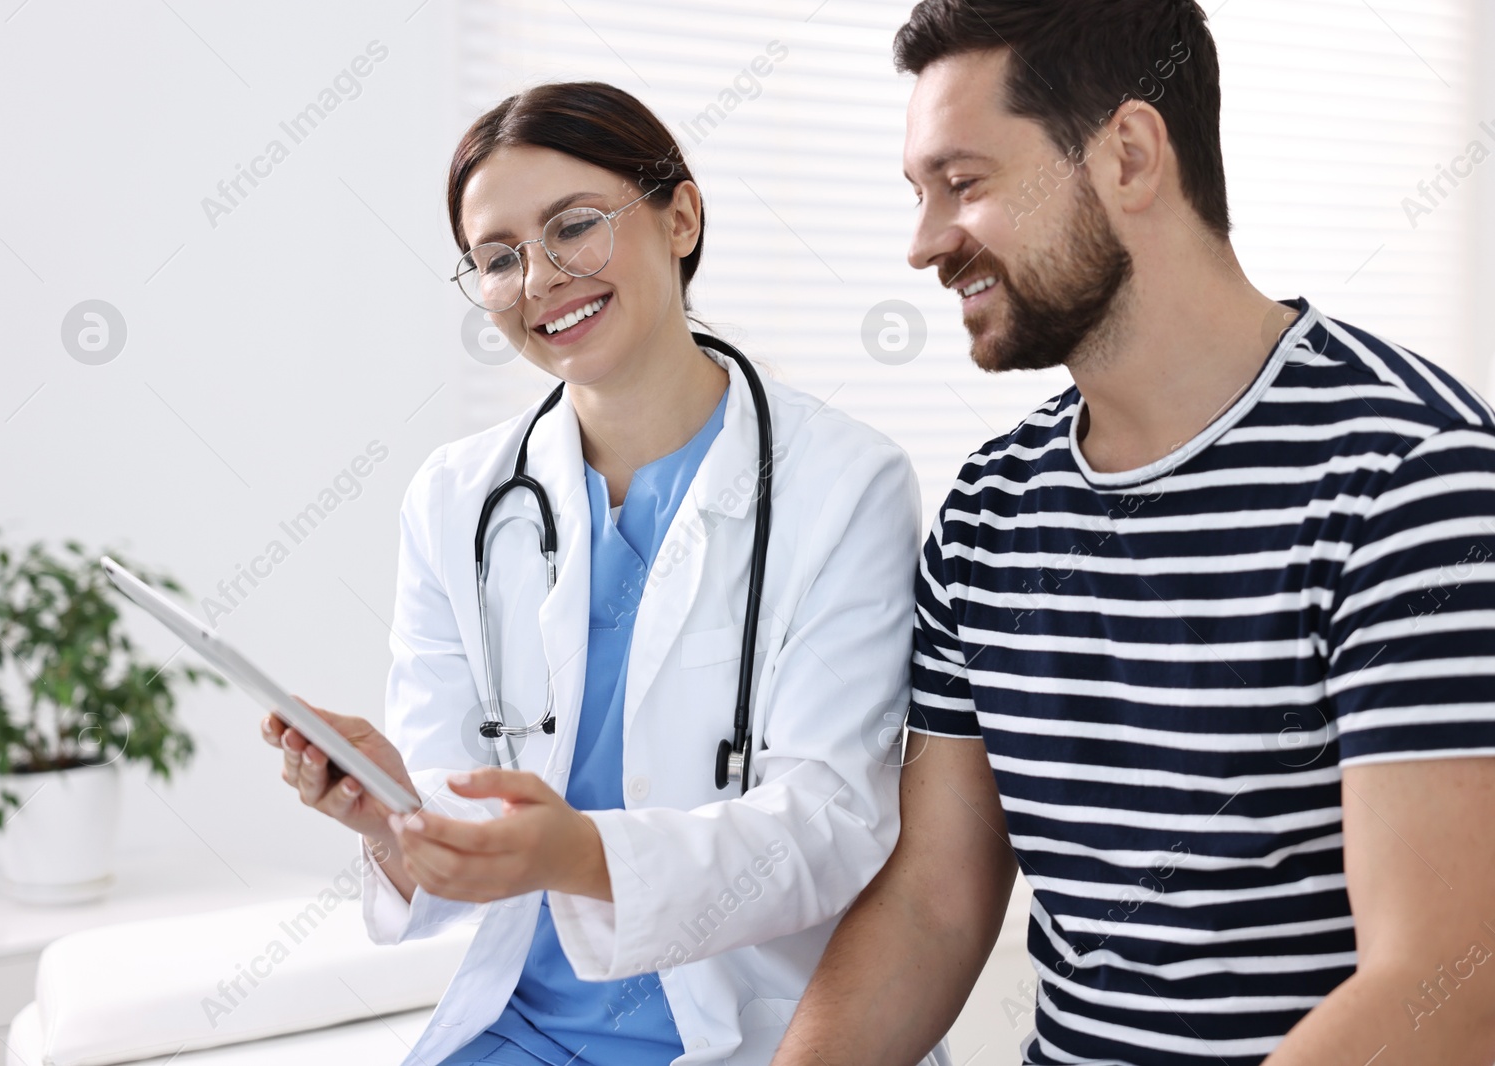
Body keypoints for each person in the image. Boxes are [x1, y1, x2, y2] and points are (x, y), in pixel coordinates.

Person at [772, 2, 1495, 1065]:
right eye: (918, 195)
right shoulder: (990, 512)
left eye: (963, 184)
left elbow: (1440, 978)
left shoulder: (1410, 474)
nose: (924, 243)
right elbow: (931, 905)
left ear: (1128, 154)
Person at [261, 81, 932, 1066]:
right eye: (497, 258)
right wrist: (395, 815)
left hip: (753, 1032)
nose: (538, 277)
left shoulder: (844, 483)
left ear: (681, 216)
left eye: (574, 226)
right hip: (520, 1028)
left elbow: (828, 826)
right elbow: (462, 823)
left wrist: (583, 853)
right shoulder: (454, 500)